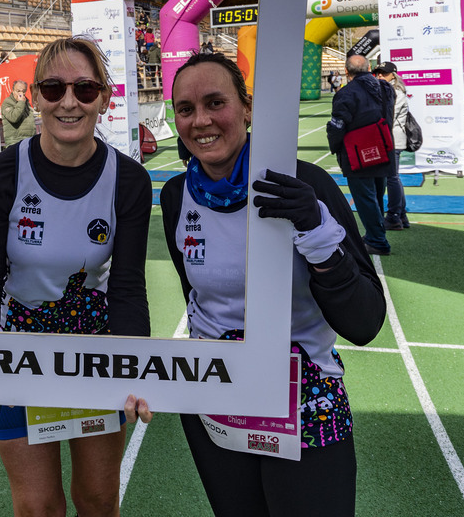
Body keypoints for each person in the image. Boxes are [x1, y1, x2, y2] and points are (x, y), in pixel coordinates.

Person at [161, 52, 385, 517]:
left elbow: (365, 322)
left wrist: (316, 232)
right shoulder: (175, 196)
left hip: (304, 399)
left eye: (215, 102)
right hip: (216, 394)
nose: (200, 120)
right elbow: (196, 295)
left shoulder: (305, 184)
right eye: (185, 109)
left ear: (246, 108)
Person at [0, 37, 153, 517]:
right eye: (54, 88)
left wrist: (136, 363)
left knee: (97, 499)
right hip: (18, 355)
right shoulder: (2, 175)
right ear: (36, 98)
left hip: (94, 355)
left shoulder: (129, 180)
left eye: (85, 89)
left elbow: (126, 287)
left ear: (104, 99)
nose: (69, 101)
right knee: (39, 506)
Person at [327, 55, 395, 255]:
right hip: (383, 147)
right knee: (375, 195)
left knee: (365, 198)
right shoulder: (386, 88)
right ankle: (376, 234)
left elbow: (337, 125)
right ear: (369, 68)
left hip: (358, 152)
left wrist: (335, 145)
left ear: (346, 72)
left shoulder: (347, 93)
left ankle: (377, 239)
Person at [374, 63, 410, 231]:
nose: (380, 75)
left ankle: (394, 215)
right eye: (378, 73)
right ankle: (400, 214)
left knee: (391, 178)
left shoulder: (394, 92)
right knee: (394, 177)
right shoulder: (392, 90)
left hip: (392, 139)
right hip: (392, 138)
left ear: (393, 75)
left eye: (384, 73)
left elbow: (388, 117)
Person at [0, 80, 36, 146]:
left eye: (23, 91)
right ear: (13, 90)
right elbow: (13, 118)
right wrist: (21, 102)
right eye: (18, 91)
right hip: (15, 141)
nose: (21, 94)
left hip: (28, 140)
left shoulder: (26, 102)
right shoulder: (7, 102)